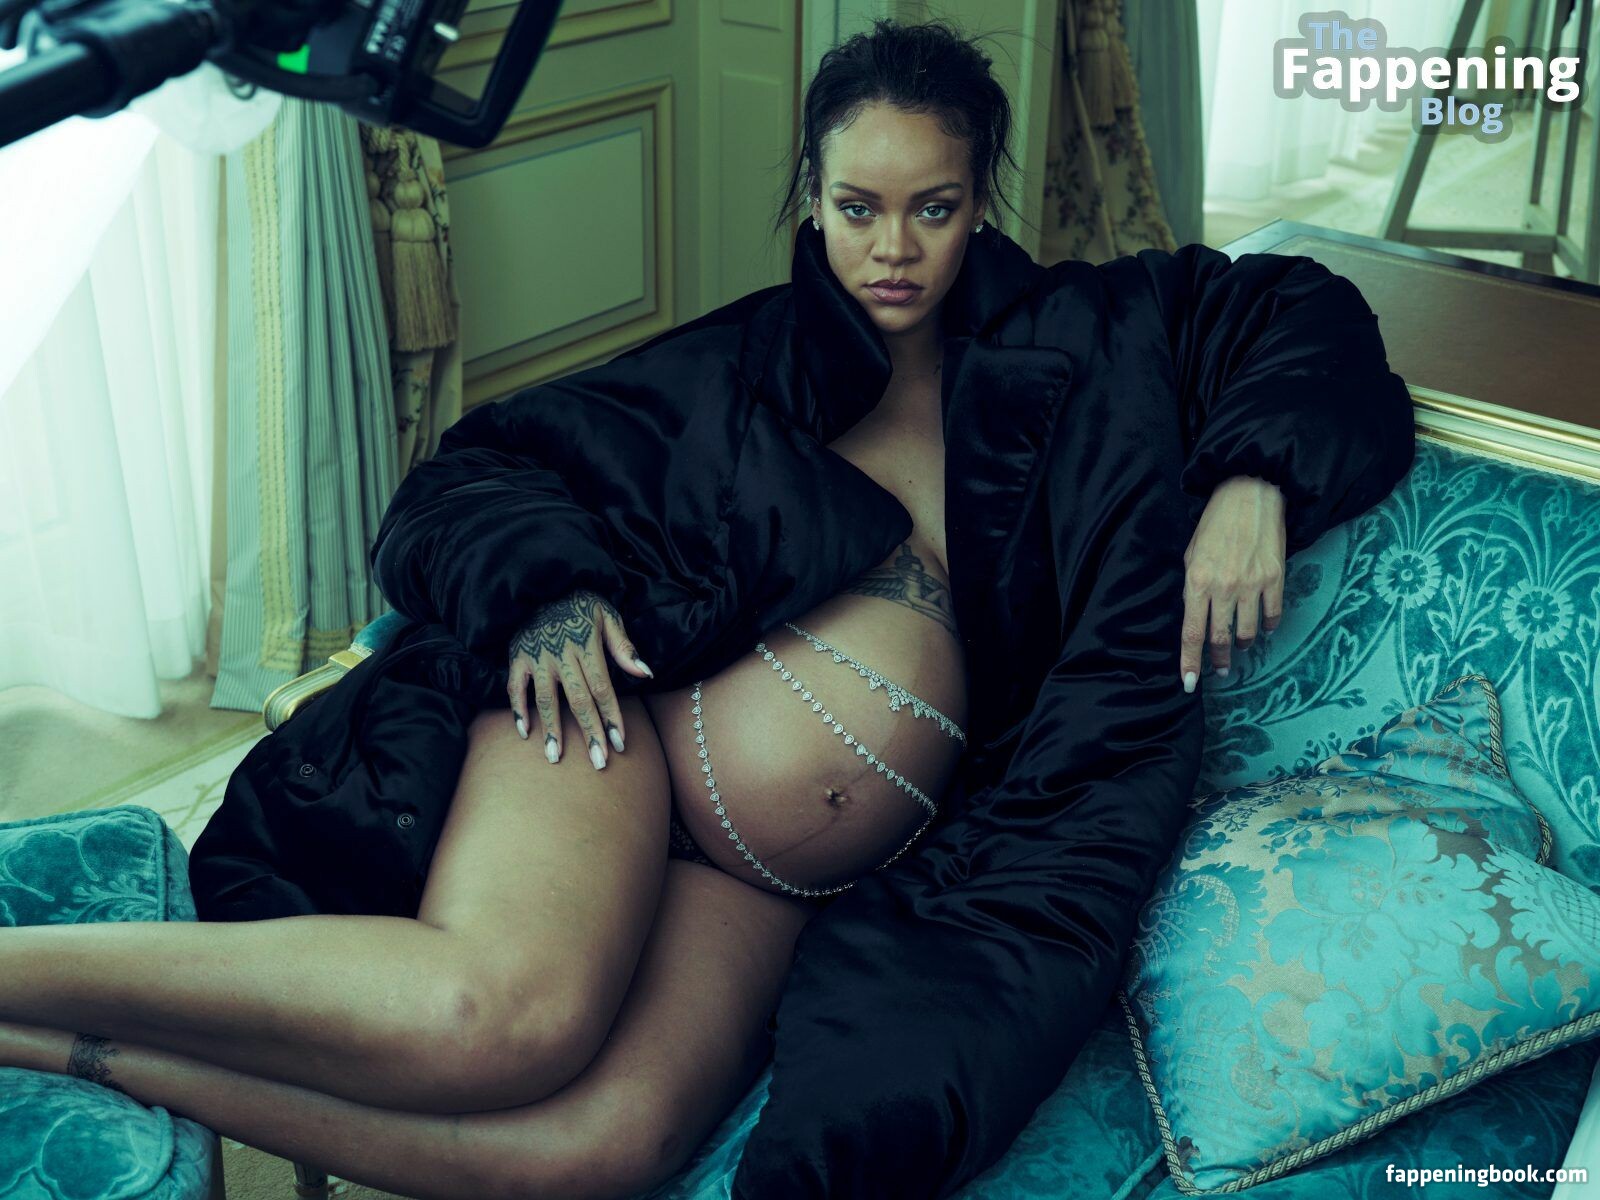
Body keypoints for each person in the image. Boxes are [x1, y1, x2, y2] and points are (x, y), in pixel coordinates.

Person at [0, 18, 1415, 1200]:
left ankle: (56, 1046)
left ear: (980, 198)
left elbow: (1309, 310)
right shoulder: (742, 363)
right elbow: (476, 473)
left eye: (932, 208)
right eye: (857, 207)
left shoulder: (1099, 337)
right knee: (501, 1018)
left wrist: (1255, 475)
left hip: (768, 884)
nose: (893, 250)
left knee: (599, 1148)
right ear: (812, 194)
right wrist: (548, 596)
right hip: (611, 738)